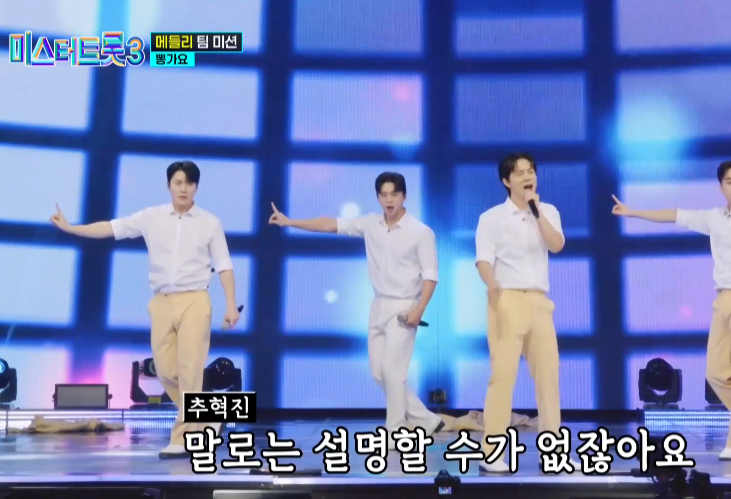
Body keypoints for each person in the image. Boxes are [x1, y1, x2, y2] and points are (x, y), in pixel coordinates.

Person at [50, 161, 240, 459]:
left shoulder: (209, 222)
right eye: (178, 182)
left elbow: (224, 266)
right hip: (162, 301)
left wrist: (230, 304)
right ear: (168, 185)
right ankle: (208, 415)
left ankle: (184, 436)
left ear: (196, 187)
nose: (184, 188)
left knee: (190, 369)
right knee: (165, 370)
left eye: (189, 183)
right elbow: (111, 228)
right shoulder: (151, 217)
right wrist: (71, 228)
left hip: (195, 300)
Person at [611, 159, 731, 460]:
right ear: (721, 187)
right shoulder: (715, 217)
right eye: (729, 182)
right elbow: (676, 215)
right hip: (723, 299)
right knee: (715, 374)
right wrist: (634, 212)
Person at [268, 172, 444, 443]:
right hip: (378, 304)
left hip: (404, 306)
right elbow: (330, 224)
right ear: (378, 197)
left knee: (393, 371)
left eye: (394, 194)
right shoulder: (370, 223)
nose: (389, 200)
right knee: (379, 373)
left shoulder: (421, 232)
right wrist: (290, 221)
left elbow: (431, 275)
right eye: (383, 195)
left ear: (404, 196)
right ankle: (427, 420)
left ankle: (395, 430)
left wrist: (418, 310)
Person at [474, 153, 578, 473]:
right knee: (502, 378)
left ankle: (553, 453)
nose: (527, 177)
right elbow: (483, 260)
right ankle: (492, 453)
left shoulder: (548, 211)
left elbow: (556, 244)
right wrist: (492, 285)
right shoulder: (491, 217)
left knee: (548, 379)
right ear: (507, 181)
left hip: (539, 302)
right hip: (506, 299)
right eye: (519, 173)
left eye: (530, 171)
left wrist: (536, 211)